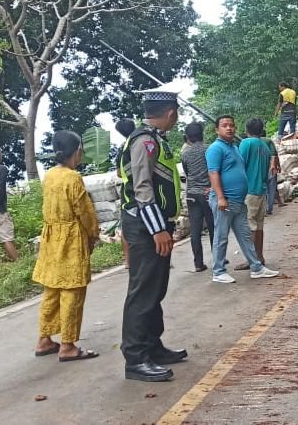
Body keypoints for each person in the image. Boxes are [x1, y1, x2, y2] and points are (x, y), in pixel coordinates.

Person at [119, 89, 186, 382]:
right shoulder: (144, 141)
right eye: (177, 113)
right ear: (170, 112)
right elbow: (141, 188)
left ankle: (153, 346)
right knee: (142, 292)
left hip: (157, 224)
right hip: (146, 227)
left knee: (155, 289)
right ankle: (135, 358)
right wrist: (157, 228)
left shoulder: (154, 139)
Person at [33, 131, 100, 361]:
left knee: (52, 288)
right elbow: (85, 211)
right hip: (71, 238)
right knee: (72, 290)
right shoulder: (72, 177)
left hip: (51, 237)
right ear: (78, 151)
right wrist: (93, 234)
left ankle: (44, 339)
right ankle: (68, 345)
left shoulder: (50, 175)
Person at [206, 115, 280, 283]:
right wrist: (220, 197)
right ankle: (218, 271)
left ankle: (256, 267)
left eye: (231, 125)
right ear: (217, 130)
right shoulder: (216, 149)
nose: (229, 128)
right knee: (221, 236)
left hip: (239, 201)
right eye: (224, 125)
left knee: (245, 235)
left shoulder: (234, 148)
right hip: (226, 200)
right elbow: (213, 172)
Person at [234, 119, 271, 270]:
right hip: (261, 190)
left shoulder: (246, 143)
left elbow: (239, 164)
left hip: (249, 189)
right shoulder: (265, 145)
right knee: (259, 225)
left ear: (246, 129)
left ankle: (252, 259)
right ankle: (259, 256)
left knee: (250, 226)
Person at [181, 122, 215, 272]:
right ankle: (218, 257)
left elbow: (187, 173)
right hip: (208, 192)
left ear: (187, 137)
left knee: (195, 230)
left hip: (192, 194)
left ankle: (198, 263)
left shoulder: (185, 153)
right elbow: (214, 171)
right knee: (213, 226)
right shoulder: (209, 150)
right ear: (202, 134)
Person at [115, 118, 136, 269]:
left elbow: (118, 173)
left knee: (126, 226)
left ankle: (128, 261)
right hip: (147, 188)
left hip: (128, 192)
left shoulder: (122, 149)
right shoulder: (144, 141)